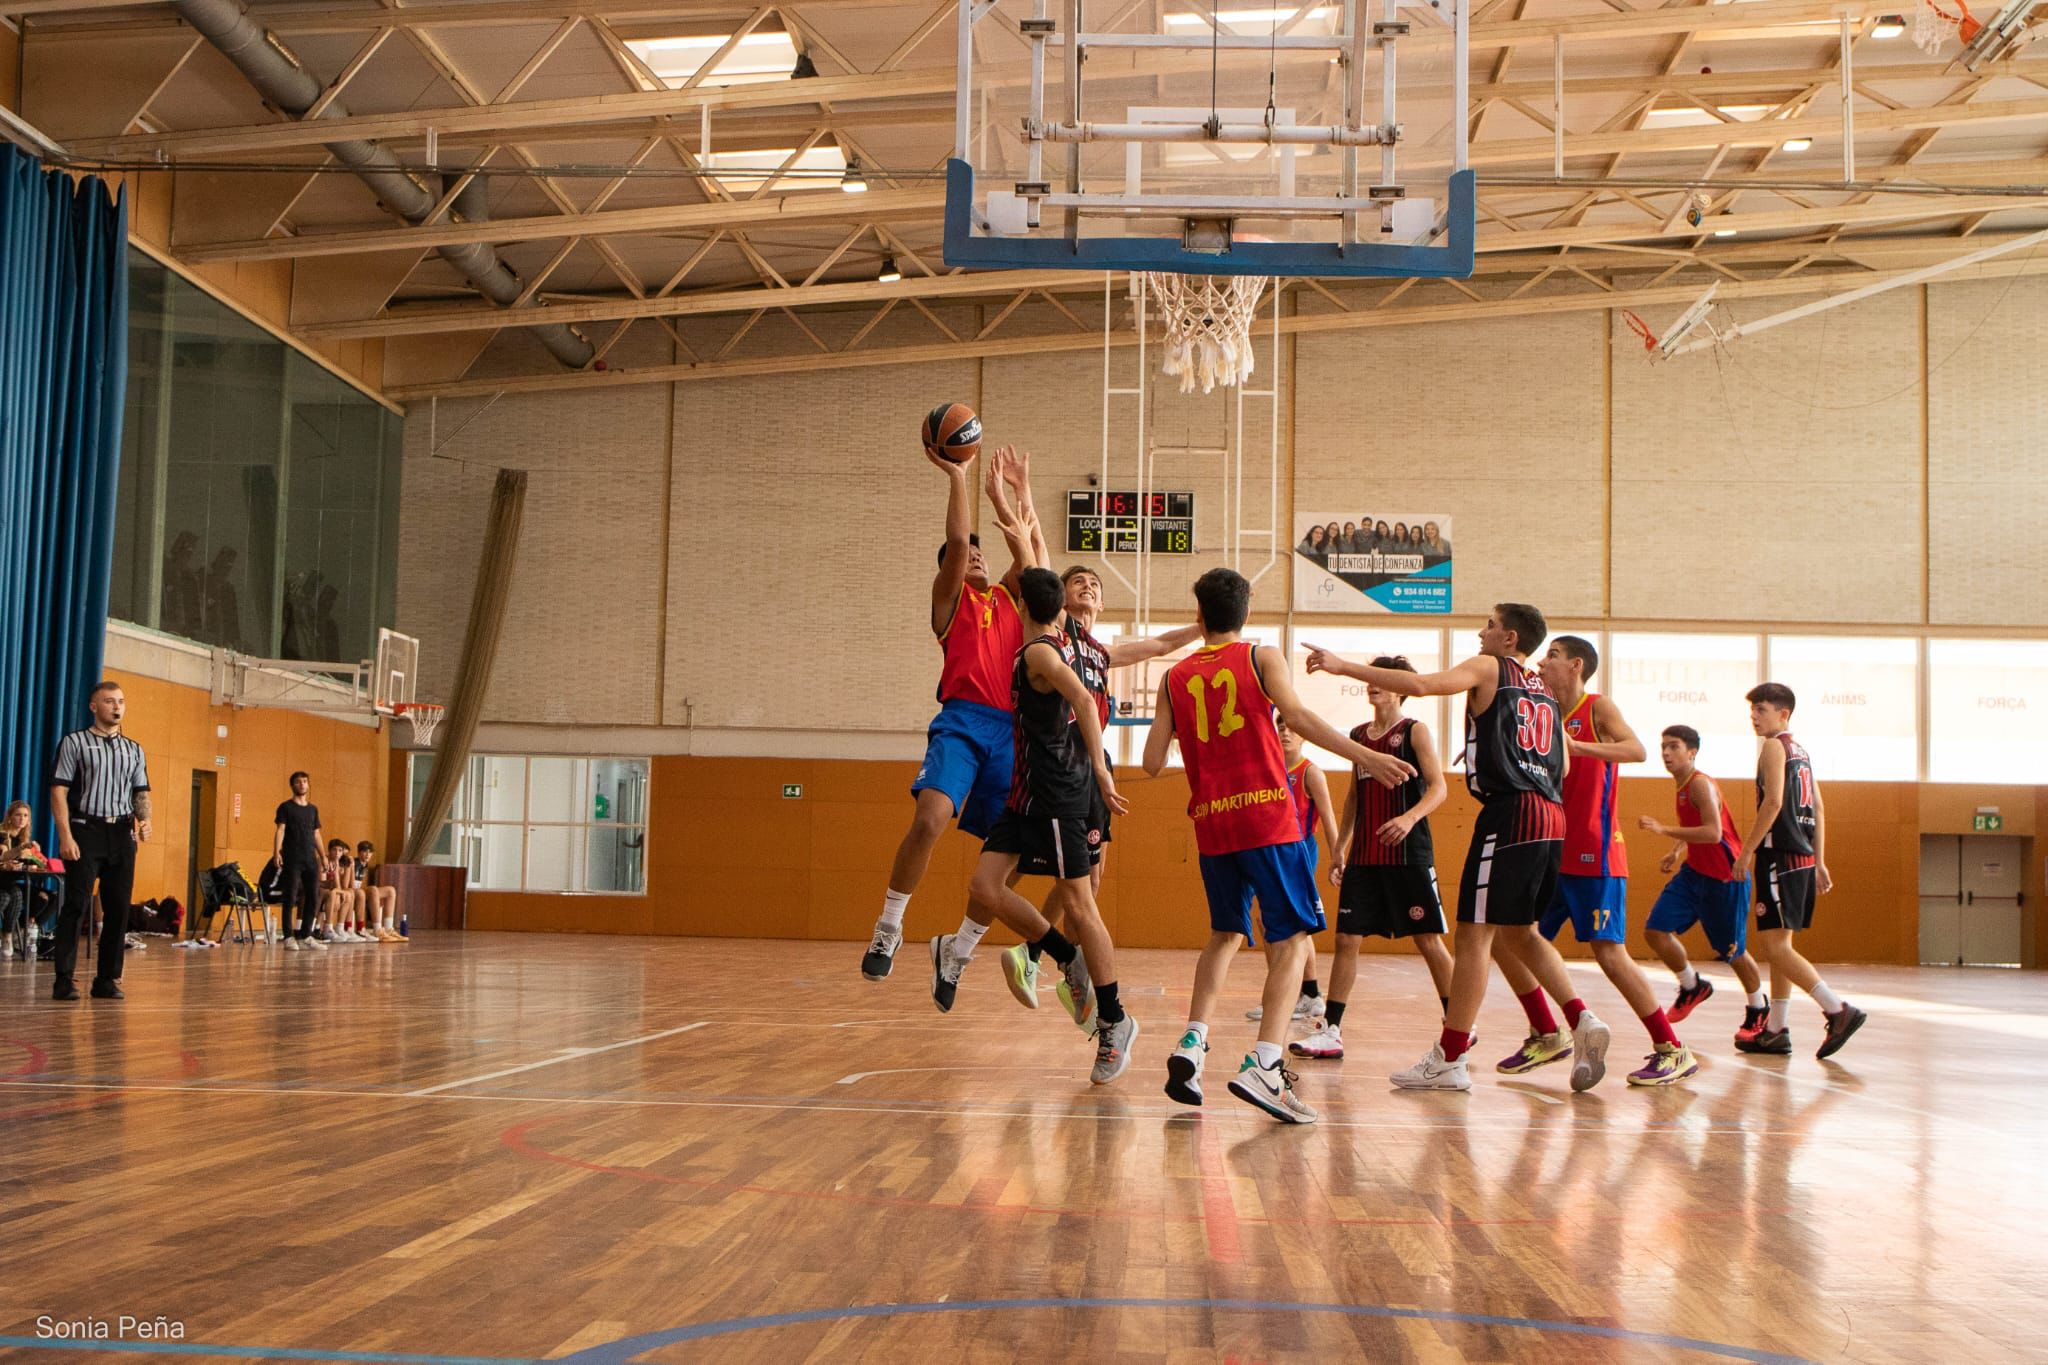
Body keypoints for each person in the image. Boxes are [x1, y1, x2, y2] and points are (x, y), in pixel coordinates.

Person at [1146, 568, 1416, 1123]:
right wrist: (1363, 756)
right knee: (1291, 941)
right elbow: (1297, 718)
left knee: (1223, 935)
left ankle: (1191, 1044)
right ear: (1246, 610)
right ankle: (1266, 1064)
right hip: (1267, 818)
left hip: (1211, 824)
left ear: (1198, 615)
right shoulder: (1261, 657)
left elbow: (1151, 763)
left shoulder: (1173, 678)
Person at [1308, 605, 1615, 1094]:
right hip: (1551, 816)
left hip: (1510, 814)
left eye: (1489, 625)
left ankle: (1451, 1056)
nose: (1480, 632)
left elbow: (1424, 686)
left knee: (1473, 936)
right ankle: (1580, 1019)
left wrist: (1342, 667)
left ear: (1509, 637)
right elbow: (1565, 766)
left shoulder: (1493, 667)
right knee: (1522, 932)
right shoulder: (1547, 695)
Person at [977, 564, 1199, 1012]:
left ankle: (1048, 957)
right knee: (1059, 884)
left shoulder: (1099, 651)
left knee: (1088, 883)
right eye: (1078, 581)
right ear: (1060, 598)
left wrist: (1203, 624)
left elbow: (1157, 644)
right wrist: (1022, 519)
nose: (1087, 586)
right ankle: (1053, 962)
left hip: (1087, 770)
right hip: (1061, 769)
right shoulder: (1055, 634)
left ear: (1101, 604)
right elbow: (1034, 576)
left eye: (1095, 585)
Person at [859, 445, 1038, 981]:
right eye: (966, 559)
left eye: (982, 555)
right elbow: (959, 541)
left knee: (1009, 855)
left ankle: (959, 948)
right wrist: (959, 475)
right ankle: (890, 924)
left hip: (1013, 732)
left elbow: (1027, 547)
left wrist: (1015, 491)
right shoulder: (951, 603)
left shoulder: (1010, 601)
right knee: (931, 818)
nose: (975, 557)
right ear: (951, 573)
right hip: (962, 722)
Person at [958, 567, 1135, 1085]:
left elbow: (1083, 701)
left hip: (1059, 792)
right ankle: (1061, 956)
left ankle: (1114, 1019)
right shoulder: (1037, 647)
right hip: (1025, 792)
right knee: (985, 887)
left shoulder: (1041, 652)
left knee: (1081, 902)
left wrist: (1102, 775)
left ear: (1019, 609)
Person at [1499, 636, 1696, 1087]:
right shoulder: (1542, 709)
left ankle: (1671, 1048)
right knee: (1508, 939)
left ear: (1576, 665)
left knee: (1609, 953)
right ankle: (1546, 1032)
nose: (1543, 662)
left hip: (1597, 851)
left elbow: (1636, 750)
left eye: (1552, 655)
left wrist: (1583, 749)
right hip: (1551, 848)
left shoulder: (1596, 707)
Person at [1292, 656, 1454, 1063]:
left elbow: (1438, 788)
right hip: (1365, 856)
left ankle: (1459, 1026)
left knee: (1428, 940)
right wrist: (1339, 847)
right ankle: (1331, 1030)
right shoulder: (1358, 736)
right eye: (1372, 678)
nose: (1374, 684)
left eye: (1383, 679)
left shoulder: (1415, 732)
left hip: (1408, 854)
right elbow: (1353, 797)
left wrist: (1409, 816)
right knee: (1347, 939)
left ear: (1400, 688)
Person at [1735, 684, 1867, 1058]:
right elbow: (1819, 809)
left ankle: (1837, 1009)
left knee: (1773, 946)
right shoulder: (1802, 752)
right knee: (1781, 947)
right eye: (1752, 711)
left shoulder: (1775, 747)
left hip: (1780, 855)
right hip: (1803, 857)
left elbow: (1774, 801)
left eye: (1761, 709)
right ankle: (1776, 1029)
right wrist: (1820, 860)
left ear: (1783, 714)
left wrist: (1747, 851)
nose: (1754, 717)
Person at [1639, 726, 1769, 1045]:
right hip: (1694, 874)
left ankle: (1759, 1008)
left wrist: (1663, 831)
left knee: (1732, 951)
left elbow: (1712, 833)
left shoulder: (1700, 785)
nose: (1666, 753)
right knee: (1655, 930)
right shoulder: (1682, 786)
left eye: (1673, 747)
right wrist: (1676, 851)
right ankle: (1691, 985)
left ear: (1692, 752)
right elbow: (1695, 828)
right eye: (1663, 747)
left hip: (1725, 877)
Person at [48, 681, 152, 1001]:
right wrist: (65, 835)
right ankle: (64, 978)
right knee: (77, 904)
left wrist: (146, 820)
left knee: (118, 908)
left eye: (121, 701)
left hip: (122, 833)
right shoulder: (74, 743)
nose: (116, 707)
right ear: (94, 707)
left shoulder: (134, 749)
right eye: (109, 701)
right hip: (86, 829)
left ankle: (107, 979)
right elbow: (58, 790)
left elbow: (141, 792)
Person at [274, 772, 330, 951]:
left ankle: (307, 934)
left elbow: (316, 834)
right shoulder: (285, 807)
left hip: (310, 859)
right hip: (292, 858)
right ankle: (288, 936)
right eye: (298, 782)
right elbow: (280, 830)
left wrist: (323, 856)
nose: (302, 784)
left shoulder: (313, 809)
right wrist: (276, 852)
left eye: (305, 781)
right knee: (290, 896)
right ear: (293, 786)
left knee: (313, 896)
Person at [1, 799, 49, 960]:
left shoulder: (25, 840)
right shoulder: (2, 835)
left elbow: (35, 863)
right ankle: (8, 936)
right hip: (4, 880)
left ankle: (20, 930)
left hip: (11, 881)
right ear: (9, 817)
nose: (22, 819)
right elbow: (3, 857)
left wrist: (35, 860)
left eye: (25, 816)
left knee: (47, 897)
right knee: (10, 896)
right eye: (18, 815)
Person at [357, 841, 402, 942]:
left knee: (391, 890)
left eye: (370, 852)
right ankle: (377, 929)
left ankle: (388, 929)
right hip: (353, 892)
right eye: (365, 852)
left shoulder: (365, 866)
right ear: (359, 852)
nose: (368, 854)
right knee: (373, 889)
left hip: (360, 892)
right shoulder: (353, 863)